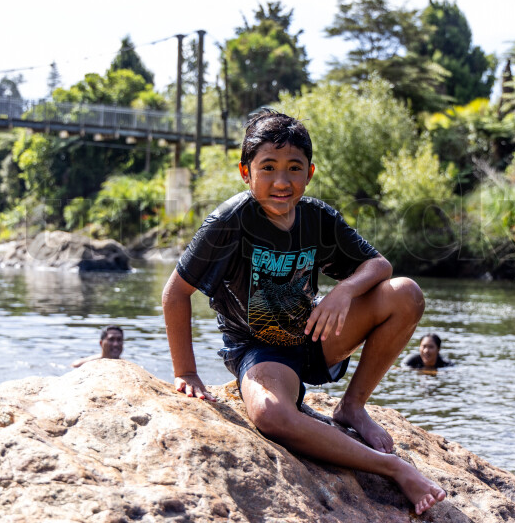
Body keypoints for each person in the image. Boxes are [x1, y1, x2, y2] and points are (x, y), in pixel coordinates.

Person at [162, 110, 446, 515]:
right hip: (261, 353)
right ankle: (393, 468)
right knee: (271, 414)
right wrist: (186, 372)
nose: (282, 181)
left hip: (314, 334)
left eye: (294, 168)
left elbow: (380, 266)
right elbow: (175, 293)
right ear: (246, 172)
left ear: (309, 173)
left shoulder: (317, 218)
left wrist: (343, 291)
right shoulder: (229, 222)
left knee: (406, 294)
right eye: (268, 168)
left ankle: (352, 407)